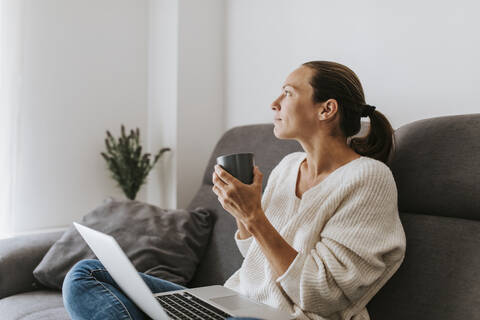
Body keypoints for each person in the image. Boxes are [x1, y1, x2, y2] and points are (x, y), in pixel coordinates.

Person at [62, 61, 406, 320]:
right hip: (236, 303)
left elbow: (324, 295)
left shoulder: (368, 179)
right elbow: (260, 260)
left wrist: (255, 216)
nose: (274, 103)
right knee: (86, 274)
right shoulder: (288, 167)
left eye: (287, 93)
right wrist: (243, 215)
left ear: (326, 109)